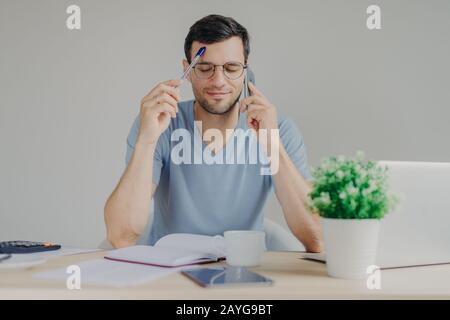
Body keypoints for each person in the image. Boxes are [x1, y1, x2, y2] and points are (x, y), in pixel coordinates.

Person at [104, 14, 323, 252]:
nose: (218, 81)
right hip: (170, 273)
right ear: (187, 70)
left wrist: (272, 144)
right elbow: (120, 236)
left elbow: (316, 238)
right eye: (205, 68)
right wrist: (147, 140)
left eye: (231, 68)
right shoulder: (158, 123)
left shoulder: (280, 129)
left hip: (244, 267)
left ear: (246, 72)